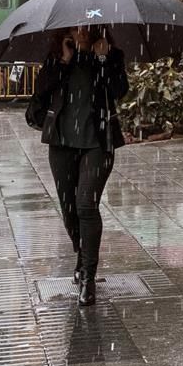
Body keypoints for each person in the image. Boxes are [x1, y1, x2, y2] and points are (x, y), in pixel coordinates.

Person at [33, 26, 129, 306]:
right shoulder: (57, 56)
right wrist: (63, 60)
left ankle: (88, 276)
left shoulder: (110, 55)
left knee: (86, 204)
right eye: (76, 28)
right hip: (61, 143)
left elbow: (119, 90)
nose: (82, 32)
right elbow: (40, 91)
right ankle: (82, 251)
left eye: (87, 27)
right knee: (69, 211)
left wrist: (102, 60)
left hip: (98, 143)